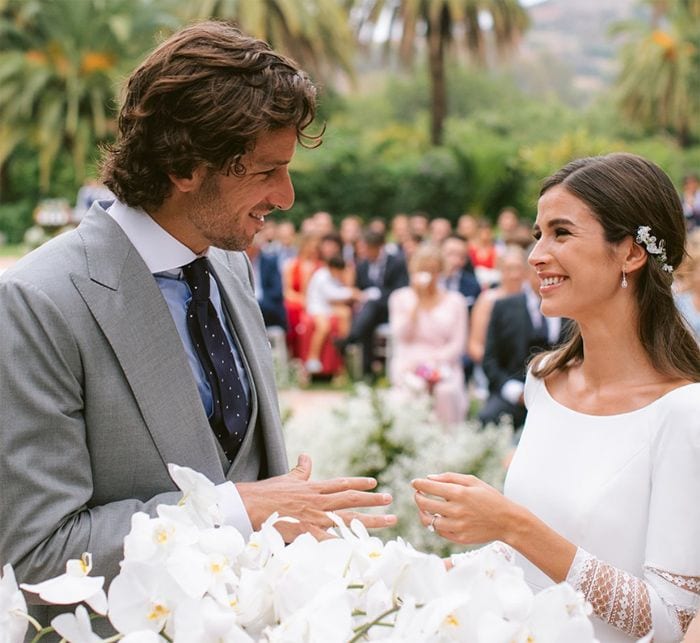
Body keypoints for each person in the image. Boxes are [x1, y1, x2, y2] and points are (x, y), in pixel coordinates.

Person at [0, 22, 396, 623]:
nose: (286, 196)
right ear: (185, 165)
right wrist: (240, 509)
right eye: (266, 172)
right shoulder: (38, 302)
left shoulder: (231, 268)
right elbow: (36, 554)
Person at [413, 153, 700, 642]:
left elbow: (673, 621)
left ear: (630, 254)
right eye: (538, 233)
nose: (536, 254)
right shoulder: (544, 381)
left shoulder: (684, 412)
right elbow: (526, 561)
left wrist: (512, 524)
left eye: (561, 233)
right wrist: (411, 578)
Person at [389, 244, 468, 425]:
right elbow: (401, 335)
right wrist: (417, 302)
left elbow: (457, 344)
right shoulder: (400, 298)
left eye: (433, 270)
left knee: (445, 392)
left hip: (444, 364)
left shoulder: (456, 301)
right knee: (409, 393)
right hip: (408, 362)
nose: (429, 276)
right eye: (423, 270)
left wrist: (433, 364)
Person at [478, 264, 565, 429]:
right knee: (486, 419)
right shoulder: (504, 307)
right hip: (513, 390)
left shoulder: (572, 308)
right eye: (539, 272)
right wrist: (515, 392)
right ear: (528, 274)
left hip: (560, 393)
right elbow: (490, 360)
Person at [338, 228, 409, 375]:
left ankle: (351, 340)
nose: (363, 253)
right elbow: (357, 288)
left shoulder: (397, 263)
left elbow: (401, 290)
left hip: (390, 309)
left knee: (371, 307)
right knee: (368, 316)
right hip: (369, 312)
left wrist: (377, 295)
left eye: (366, 249)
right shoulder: (362, 265)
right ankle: (368, 371)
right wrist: (361, 295)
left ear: (377, 247)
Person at [303, 255, 358, 375]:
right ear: (334, 268)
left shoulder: (332, 276)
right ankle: (313, 358)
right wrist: (352, 293)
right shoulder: (321, 276)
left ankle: (345, 345)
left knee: (346, 313)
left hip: (326, 307)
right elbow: (332, 294)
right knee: (323, 327)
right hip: (316, 308)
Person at [245, 239, 287, 330]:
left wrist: (257, 304)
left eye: (249, 247)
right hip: (246, 306)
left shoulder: (270, 262)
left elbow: (277, 291)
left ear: (257, 248)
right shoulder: (239, 263)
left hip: (266, 307)